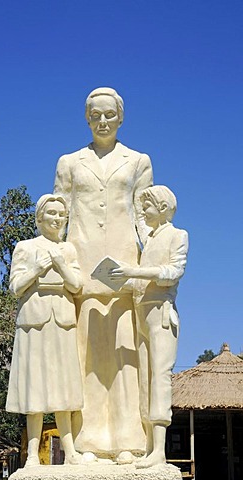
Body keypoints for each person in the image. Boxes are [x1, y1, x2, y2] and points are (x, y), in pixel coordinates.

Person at [54, 87, 153, 461]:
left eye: (109, 114)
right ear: (86, 117)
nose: (103, 121)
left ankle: (130, 439)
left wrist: (152, 261)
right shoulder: (69, 162)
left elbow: (145, 216)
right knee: (87, 356)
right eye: (95, 114)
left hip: (125, 267)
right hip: (82, 265)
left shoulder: (138, 161)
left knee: (125, 353)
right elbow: (58, 215)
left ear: (121, 117)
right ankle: (88, 441)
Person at [109, 185, 189, 468]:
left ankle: (159, 451)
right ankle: (148, 445)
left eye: (148, 207)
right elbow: (142, 281)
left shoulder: (177, 236)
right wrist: (121, 279)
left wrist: (134, 271)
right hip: (141, 314)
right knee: (144, 379)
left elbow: (172, 274)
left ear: (164, 208)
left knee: (160, 378)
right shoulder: (151, 241)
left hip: (161, 315)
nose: (143, 212)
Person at [6, 194, 83, 466]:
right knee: (34, 385)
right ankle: (31, 454)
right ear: (40, 217)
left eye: (60, 214)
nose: (56, 218)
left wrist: (61, 265)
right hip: (34, 317)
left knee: (63, 385)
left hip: (62, 316)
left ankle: (70, 451)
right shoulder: (25, 247)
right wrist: (35, 270)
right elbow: (15, 287)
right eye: (51, 213)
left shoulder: (69, 249)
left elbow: (77, 285)